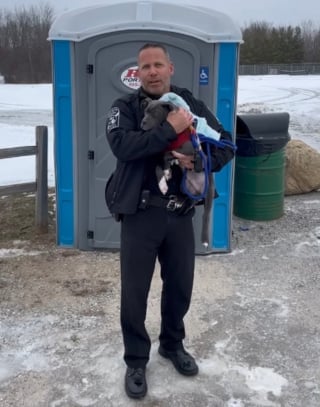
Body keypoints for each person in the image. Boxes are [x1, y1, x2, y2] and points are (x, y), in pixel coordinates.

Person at [105, 43, 235, 399]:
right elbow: (124, 147)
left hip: (180, 213)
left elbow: (225, 142)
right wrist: (170, 129)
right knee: (135, 293)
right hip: (141, 214)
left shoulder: (190, 104)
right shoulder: (125, 109)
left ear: (170, 68)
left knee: (180, 286)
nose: (152, 71)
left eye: (158, 64)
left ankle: (172, 345)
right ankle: (135, 359)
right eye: (145, 66)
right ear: (137, 72)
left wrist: (201, 161)